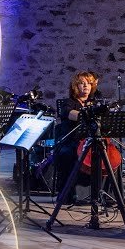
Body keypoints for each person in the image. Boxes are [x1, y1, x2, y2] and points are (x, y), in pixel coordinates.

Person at [53, 71, 100, 203]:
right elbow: (70, 114)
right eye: (82, 83)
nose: (86, 86)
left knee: (109, 154)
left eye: (89, 83)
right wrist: (89, 114)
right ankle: (69, 194)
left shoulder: (93, 103)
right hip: (71, 141)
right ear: (75, 86)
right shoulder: (69, 102)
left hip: (89, 141)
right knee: (68, 153)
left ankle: (103, 193)